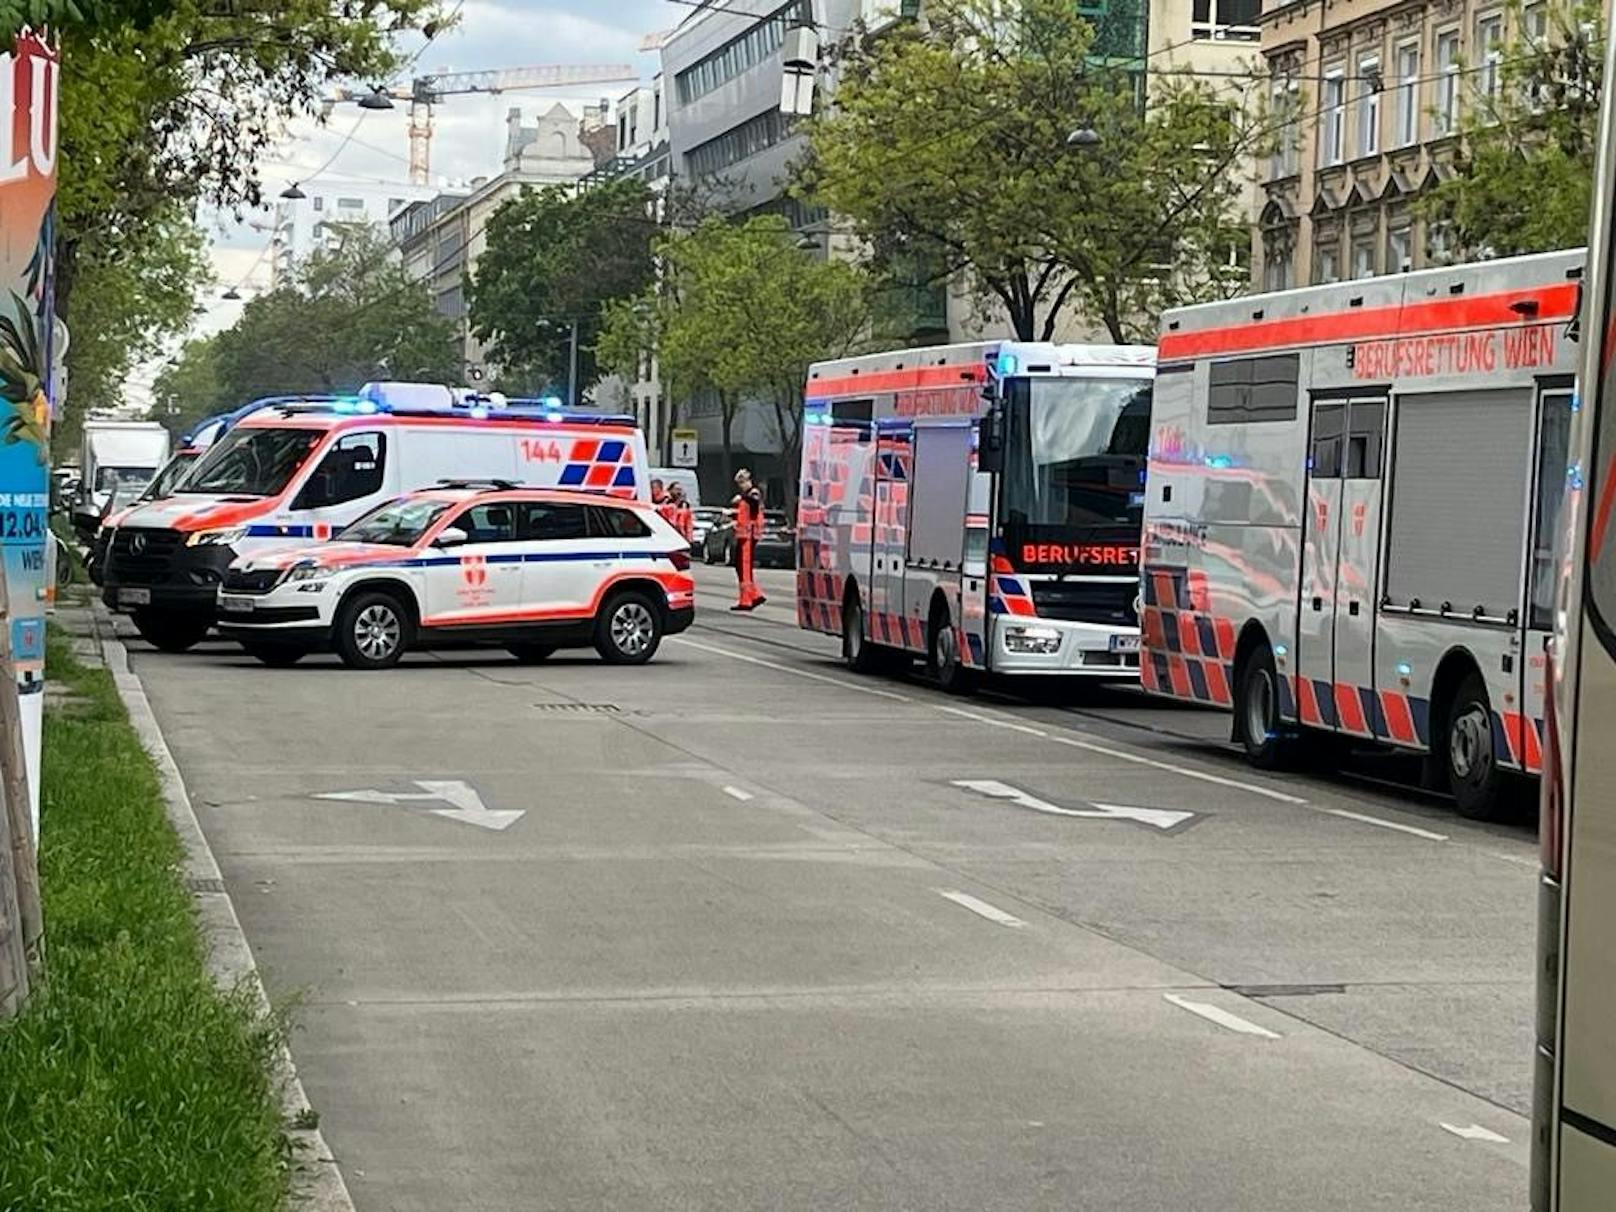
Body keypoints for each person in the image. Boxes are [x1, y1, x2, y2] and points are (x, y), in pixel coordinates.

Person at [729, 468, 766, 612]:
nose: (741, 486)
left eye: (742, 482)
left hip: (748, 536)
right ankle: (754, 594)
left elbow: (754, 504)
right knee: (741, 566)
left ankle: (747, 600)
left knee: (744, 567)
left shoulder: (753, 493)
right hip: (743, 534)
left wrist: (742, 499)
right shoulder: (747, 495)